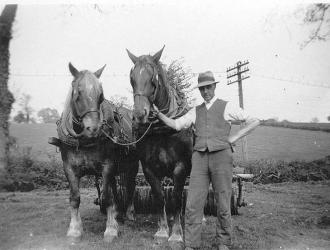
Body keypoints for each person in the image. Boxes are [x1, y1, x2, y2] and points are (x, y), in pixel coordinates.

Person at [153, 71, 260, 250]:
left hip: (222, 158)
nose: (205, 91)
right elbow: (176, 125)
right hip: (200, 158)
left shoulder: (227, 107)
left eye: (208, 87)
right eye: (202, 88)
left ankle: (223, 242)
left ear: (214, 87)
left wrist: (234, 138)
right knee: (193, 203)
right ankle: (192, 244)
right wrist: (159, 115)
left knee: (223, 201)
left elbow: (254, 121)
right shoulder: (195, 110)